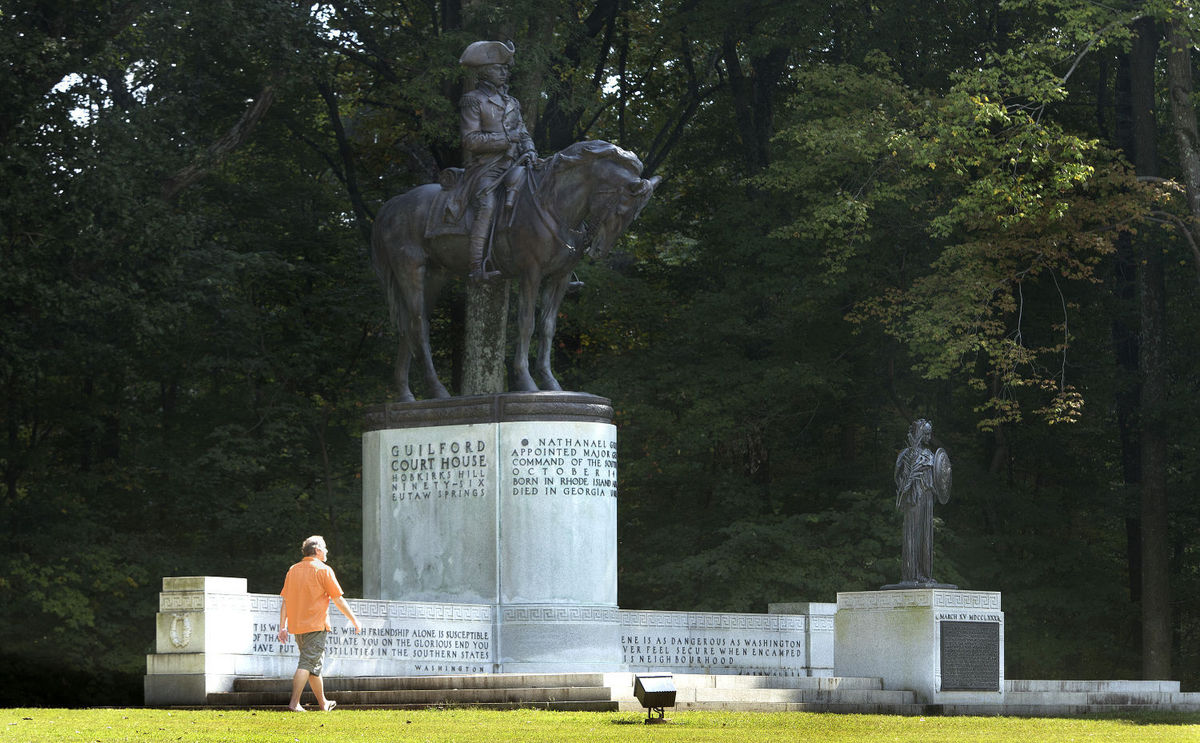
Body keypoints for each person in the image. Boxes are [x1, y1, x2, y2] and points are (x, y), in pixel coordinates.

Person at [458, 40, 538, 281]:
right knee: (487, 205)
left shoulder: (512, 102)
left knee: (539, 196)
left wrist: (531, 149)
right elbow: (470, 140)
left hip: (514, 165)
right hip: (485, 169)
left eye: (505, 68)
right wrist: (506, 139)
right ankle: (476, 267)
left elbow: (523, 133)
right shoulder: (473, 100)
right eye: (498, 68)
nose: (504, 72)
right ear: (484, 71)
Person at [276, 535, 361, 712]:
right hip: (316, 625)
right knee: (307, 663)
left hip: (297, 627)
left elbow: (286, 601)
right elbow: (338, 600)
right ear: (317, 550)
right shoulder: (324, 570)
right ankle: (294, 703)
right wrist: (354, 620)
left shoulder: (293, 570)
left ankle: (323, 703)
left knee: (313, 665)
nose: (327, 551)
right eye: (325, 548)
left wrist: (282, 626)